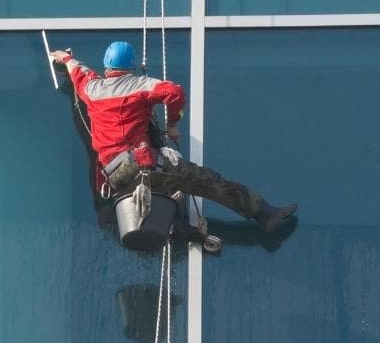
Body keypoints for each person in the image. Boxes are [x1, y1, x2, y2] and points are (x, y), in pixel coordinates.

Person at [49, 41, 297, 233]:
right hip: (142, 166)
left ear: (107, 67)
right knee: (206, 181)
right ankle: (264, 214)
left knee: (167, 188)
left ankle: (177, 229)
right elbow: (174, 92)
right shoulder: (140, 85)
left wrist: (64, 57)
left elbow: (77, 70)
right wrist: (173, 123)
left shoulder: (93, 88)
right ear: (131, 66)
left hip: (115, 176)